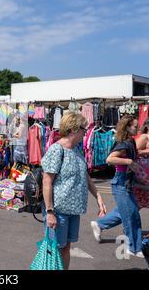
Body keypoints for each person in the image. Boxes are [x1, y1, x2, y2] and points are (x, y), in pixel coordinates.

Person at [42, 112, 107, 270]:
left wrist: (98, 197)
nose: (86, 133)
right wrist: (50, 212)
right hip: (58, 211)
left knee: (66, 247)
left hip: (73, 210)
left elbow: (85, 176)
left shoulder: (76, 150)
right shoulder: (57, 150)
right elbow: (47, 181)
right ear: (73, 129)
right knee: (54, 249)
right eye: (84, 130)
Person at [90, 115, 145, 258]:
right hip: (120, 184)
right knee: (130, 217)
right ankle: (132, 248)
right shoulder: (124, 144)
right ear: (127, 127)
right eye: (134, 126)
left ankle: (100, 225)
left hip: (127, 183)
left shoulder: (130, 142)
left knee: (132, 215)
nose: (137, 128)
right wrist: (128, 161)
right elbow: (109, 159)